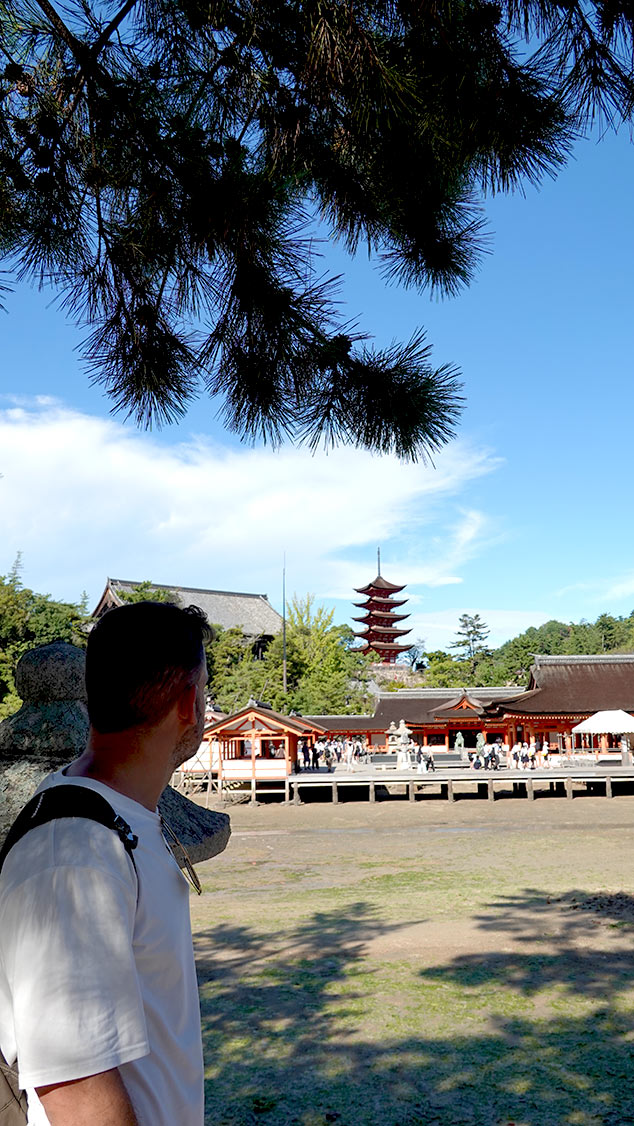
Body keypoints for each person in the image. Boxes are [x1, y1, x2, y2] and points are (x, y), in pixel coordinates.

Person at [0, 601, 209, 1126]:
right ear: (188, 703)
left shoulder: (122, 818)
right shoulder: (71, 855)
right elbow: (74, 1085)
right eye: (205, 688)